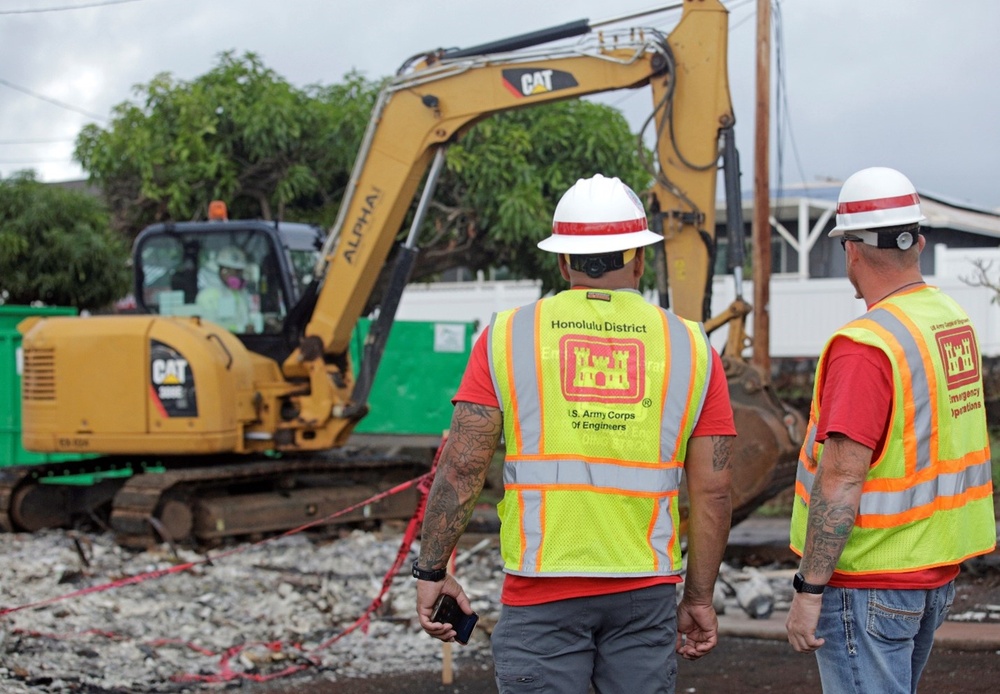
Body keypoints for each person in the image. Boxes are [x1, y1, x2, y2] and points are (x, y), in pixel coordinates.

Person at [413, 174, 736, 694]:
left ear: (562, 261)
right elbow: (714, 491)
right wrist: (698, 598)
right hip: (644, 590)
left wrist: (431, 572)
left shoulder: (506, 336)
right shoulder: (693, 349)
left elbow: (463, 465)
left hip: (541, 589)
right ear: (639, 257)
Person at [785, 166, 997, 693]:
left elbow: (840, 481)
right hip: (934, 573)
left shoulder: (866, 345)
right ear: (918, 242)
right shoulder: (950, 320)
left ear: (851, 250)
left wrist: (809, 590)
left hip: (869, 582)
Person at [196, 245, 252, 332]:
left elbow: (245, 318)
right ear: (223, 271)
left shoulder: (241, 293)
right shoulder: (208, 296)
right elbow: (210, 328)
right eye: (236, 271)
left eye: (240, 271)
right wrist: (241, 329)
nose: (239, 275)